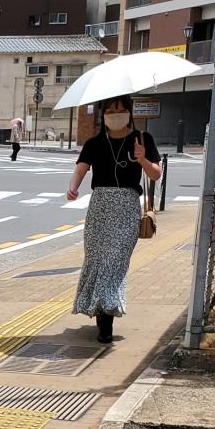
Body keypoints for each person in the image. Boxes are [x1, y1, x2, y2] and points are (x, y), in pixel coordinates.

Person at [66, 95, 163, 344]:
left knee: (115, 261)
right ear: (103, 114)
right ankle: (103, 312)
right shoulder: (96, 142)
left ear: (130, 113)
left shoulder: (143, 139)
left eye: (121, 109)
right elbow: (81, 167)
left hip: (127, 206)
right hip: (99, 205)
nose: (116, 114)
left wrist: (142, 158)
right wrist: (73, 187)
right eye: (111, 110)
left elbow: (156, 174)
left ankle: (106, 313)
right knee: (97, 260)